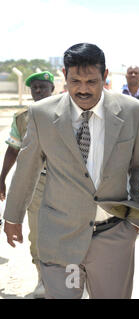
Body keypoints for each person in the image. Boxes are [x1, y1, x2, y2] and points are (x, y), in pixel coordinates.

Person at [2, 43, 139, 299]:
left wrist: (136, 222)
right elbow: (27, 168)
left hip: (113, 236)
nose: (83, 89)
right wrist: (13, 217)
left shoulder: (132, 111)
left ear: (105, 76)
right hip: (60, 238)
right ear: (64, 75)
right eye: (75, 81)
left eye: (92, 81)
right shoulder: (42, 114)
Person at [0, 71, 55, 298]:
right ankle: (43, 281)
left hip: (65, 183)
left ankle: (71, 282)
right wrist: (2, 178)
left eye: (43, 87)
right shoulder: (23, 117)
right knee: (37, 235)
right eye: (35, 88)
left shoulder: (69, 112)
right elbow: (13, 149)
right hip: (37, 183)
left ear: (52, 88)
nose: (39, 91)